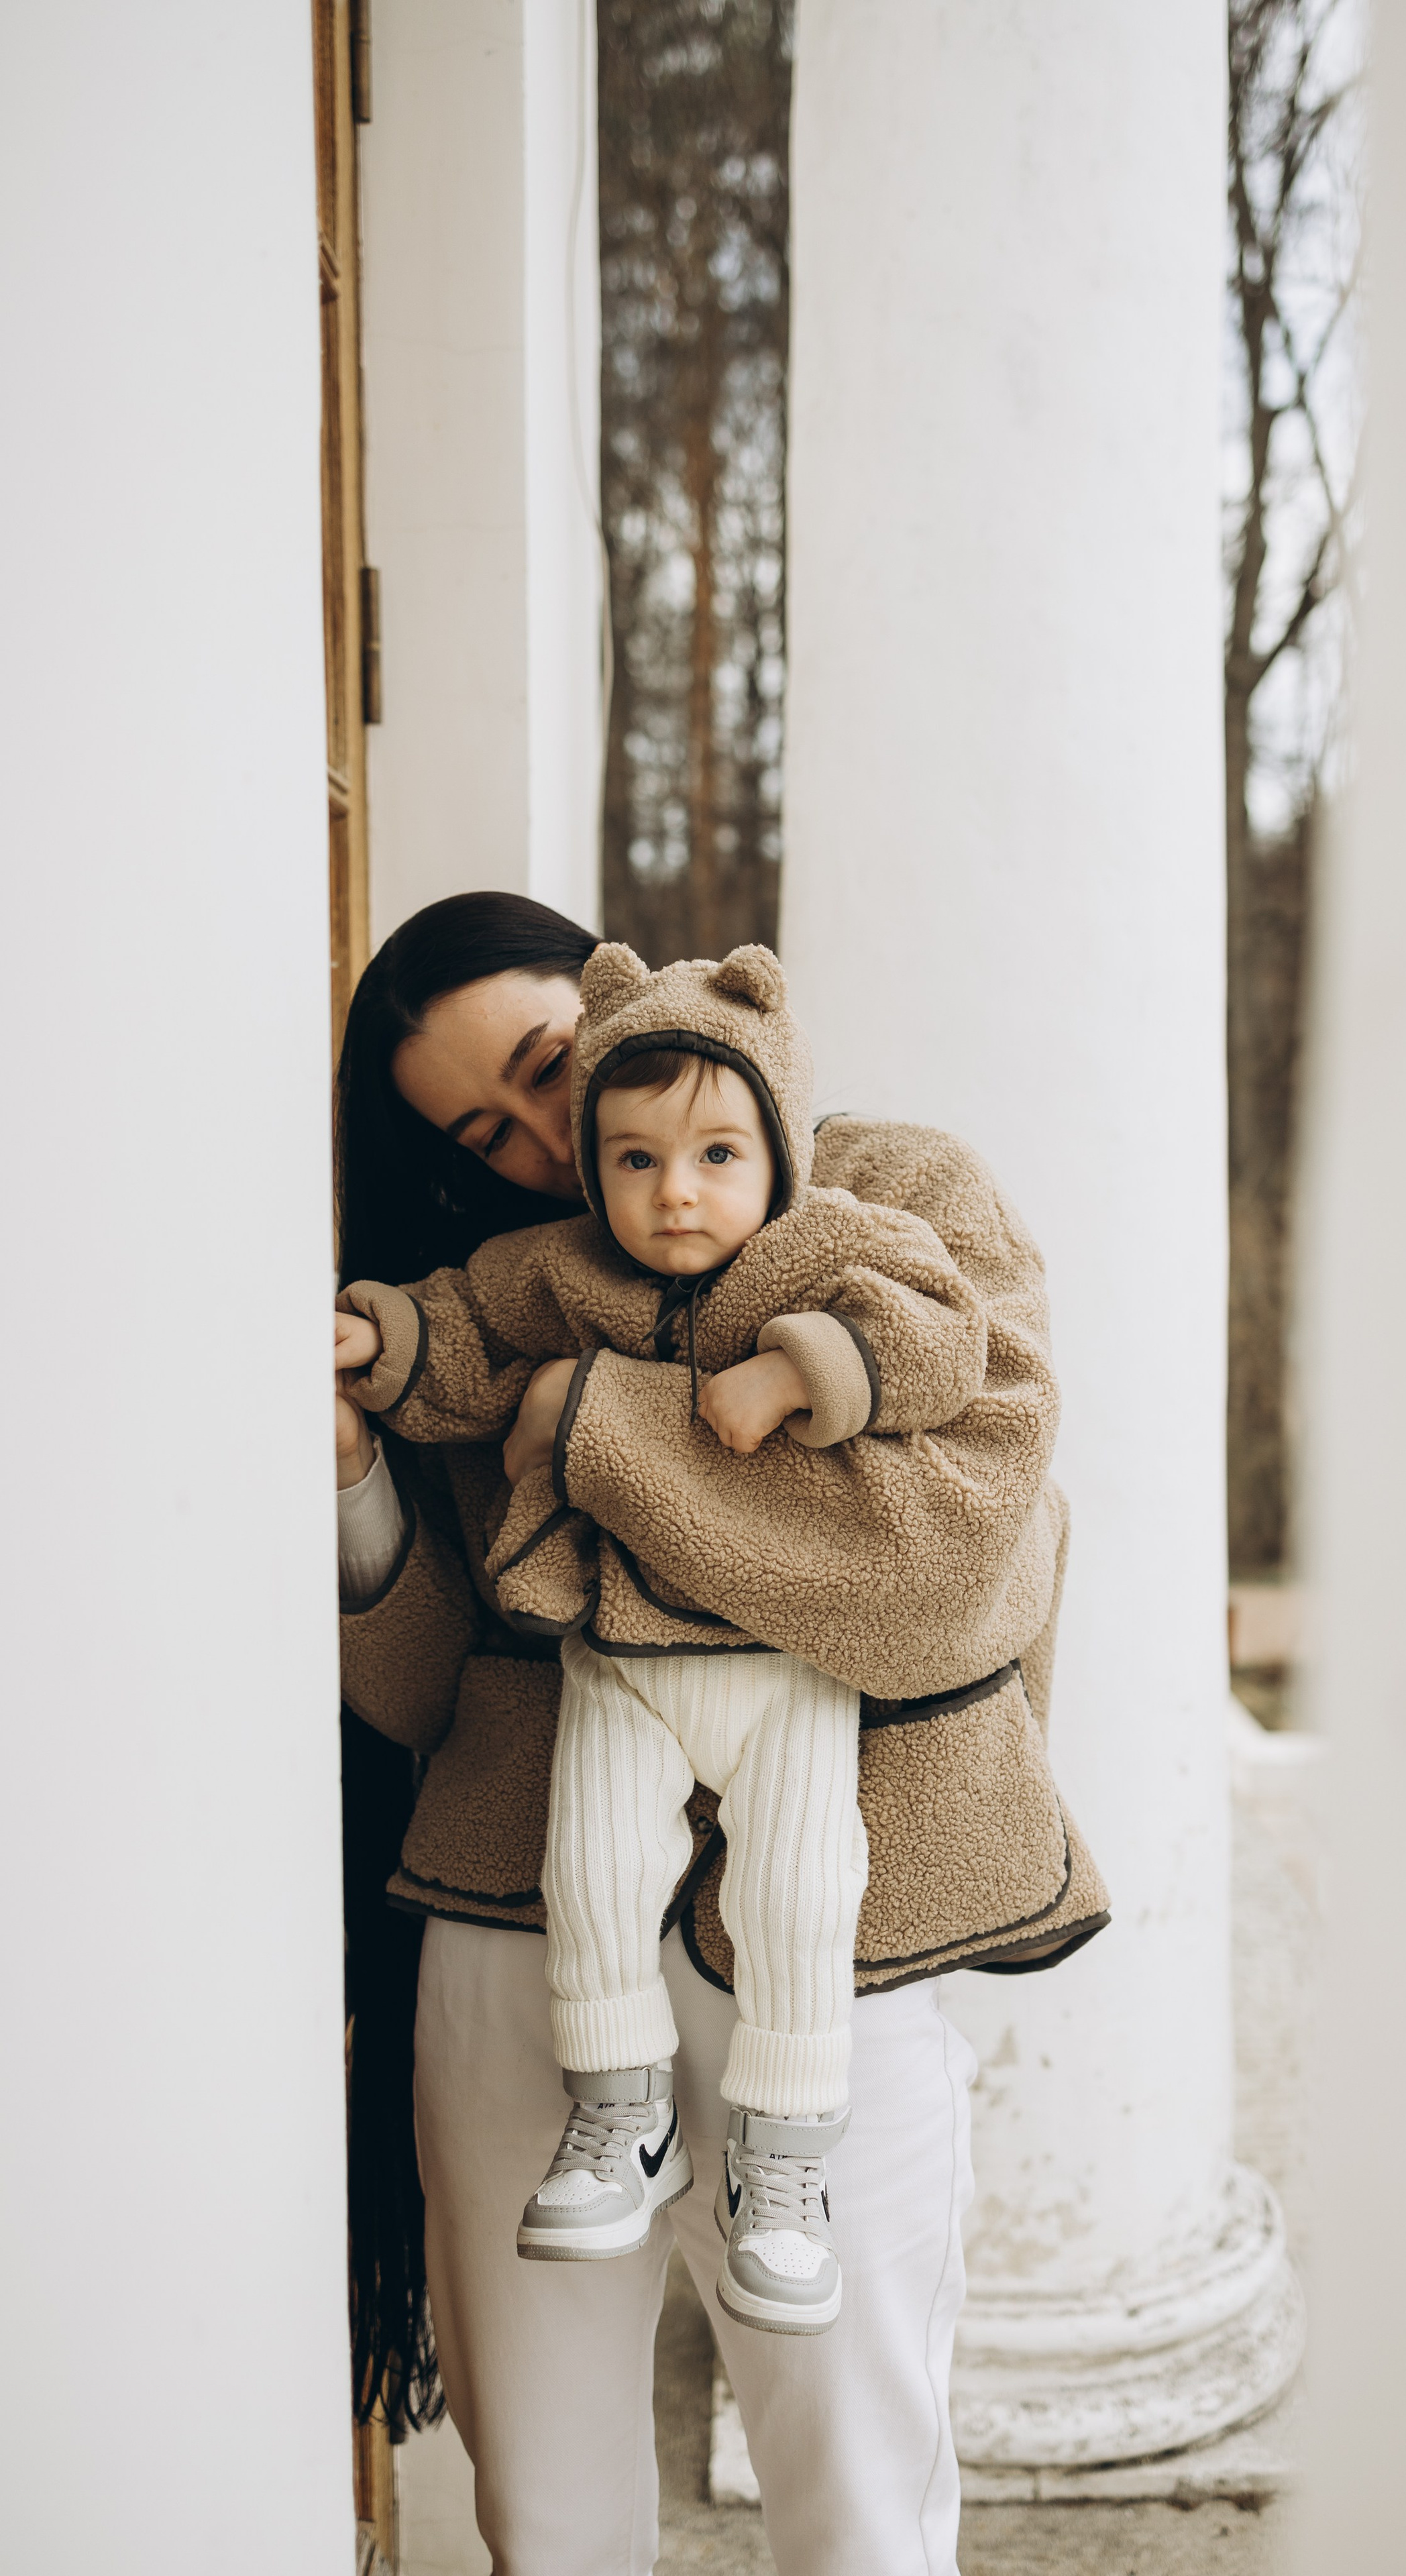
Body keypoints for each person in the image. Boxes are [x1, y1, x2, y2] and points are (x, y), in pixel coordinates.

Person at [335, 892, 1108, 2576]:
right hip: (515, 1927)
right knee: (542, 2513)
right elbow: (425, 1691)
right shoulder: (505, 1295)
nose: (551, 1142)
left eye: (552, 1068)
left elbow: (942, 1568)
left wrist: (595, 1427)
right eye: (487, 1132)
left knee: (855, 2500)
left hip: (835, 1955)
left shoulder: (894, 1200)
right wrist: (351, 1480)